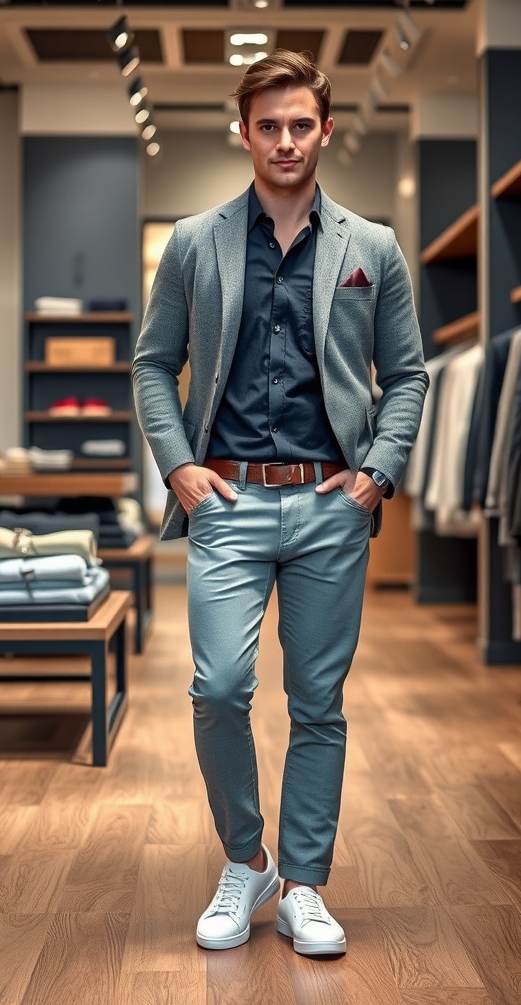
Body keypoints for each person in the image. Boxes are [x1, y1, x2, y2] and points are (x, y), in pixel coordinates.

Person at [132, 48, 428, 957]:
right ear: (245, 132)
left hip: (331, 509)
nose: (286, 140)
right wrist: (179, 465)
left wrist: (376, 476)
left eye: (302, 124)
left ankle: (304, 883)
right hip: (226, 502)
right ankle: (245, 859)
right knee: (218, 688)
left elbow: (407, 375)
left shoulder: (371, 247)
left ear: (326, 129)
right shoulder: (194, 240)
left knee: (317, 700)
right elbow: (154, 363)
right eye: (269, 125)